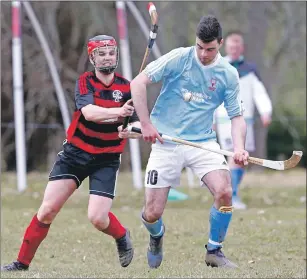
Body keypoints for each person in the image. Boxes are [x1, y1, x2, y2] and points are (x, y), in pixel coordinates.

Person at [1, 35, 141, 271]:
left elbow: (137, 126)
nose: (107, 57)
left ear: (116, 55)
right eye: (101, 53)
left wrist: (130, 131)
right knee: (47, 211)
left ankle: (121, 236)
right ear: (92, 57)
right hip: (76, 154)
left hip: (106, 159)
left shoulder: (128, 87)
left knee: (97, 218)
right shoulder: (85, 82)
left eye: (111, 53)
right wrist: (119, 112)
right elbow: (89, 113)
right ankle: (21, 263)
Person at [122, 15, 249, 269]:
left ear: (220, 44)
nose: (203, 54)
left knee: (224, 192)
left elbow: (237, 118)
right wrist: (146, 124)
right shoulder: (179, 57)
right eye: (200, 47)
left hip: (202, 142)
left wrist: (239, 147)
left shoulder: (228, 74)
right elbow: (138, 84)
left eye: (210, 49)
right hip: (165, 141)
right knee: (152, 213)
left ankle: (214, 251)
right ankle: (156, 236)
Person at [214, 31, 272, 210]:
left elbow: (259, 92)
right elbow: (212, 95)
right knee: (234, 156)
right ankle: (231, 196)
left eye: (237, 46)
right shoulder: (219, 66)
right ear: (226, 46)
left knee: (242, 159)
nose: (234, 49)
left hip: (245, 120)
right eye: (231, 46)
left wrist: (265, 111)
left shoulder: (250, 69)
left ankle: (229, 193)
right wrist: (211, 117)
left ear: (242, 48)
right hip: (226, 120)